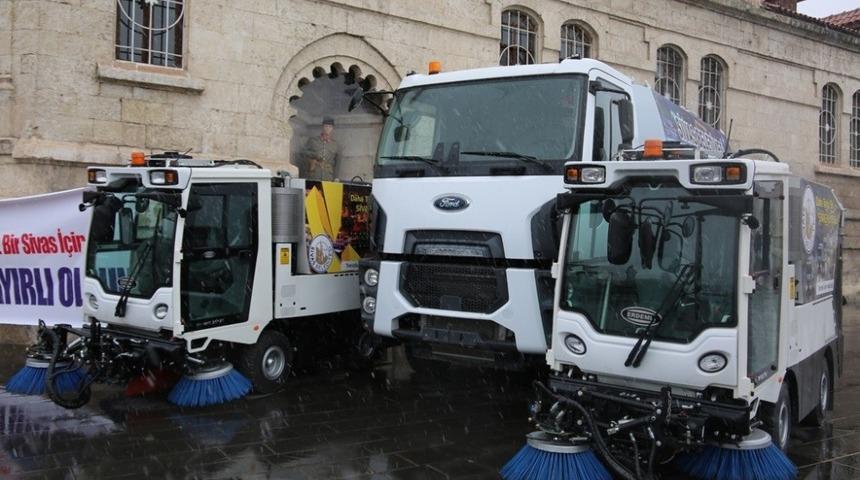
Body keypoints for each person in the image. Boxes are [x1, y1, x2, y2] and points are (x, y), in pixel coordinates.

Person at [302, 116, 340, 181]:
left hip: (328, 176)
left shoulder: (335, 144)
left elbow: (337, 163)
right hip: (314, 174)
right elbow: (304, 154)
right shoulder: (313, 141)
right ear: (322, 127)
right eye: (326, 126)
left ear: (332, 128)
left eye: (330, 127)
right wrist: (314, 157)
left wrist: (336, 177)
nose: (328, 128)